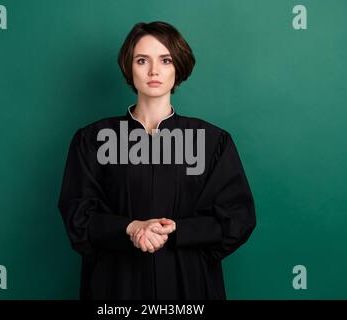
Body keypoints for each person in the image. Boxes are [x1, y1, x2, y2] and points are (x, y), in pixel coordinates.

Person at [57, 21, 256, 300]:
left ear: (178, 67)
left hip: (188, 285)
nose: (153, 71)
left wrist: (179, 231)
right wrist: (130, 228)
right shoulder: (93, 139)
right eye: (142, 60)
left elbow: (238, 217)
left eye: (165, 60)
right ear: (129, 67)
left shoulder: (213, 141)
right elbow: (78, 216)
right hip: (116, 287)